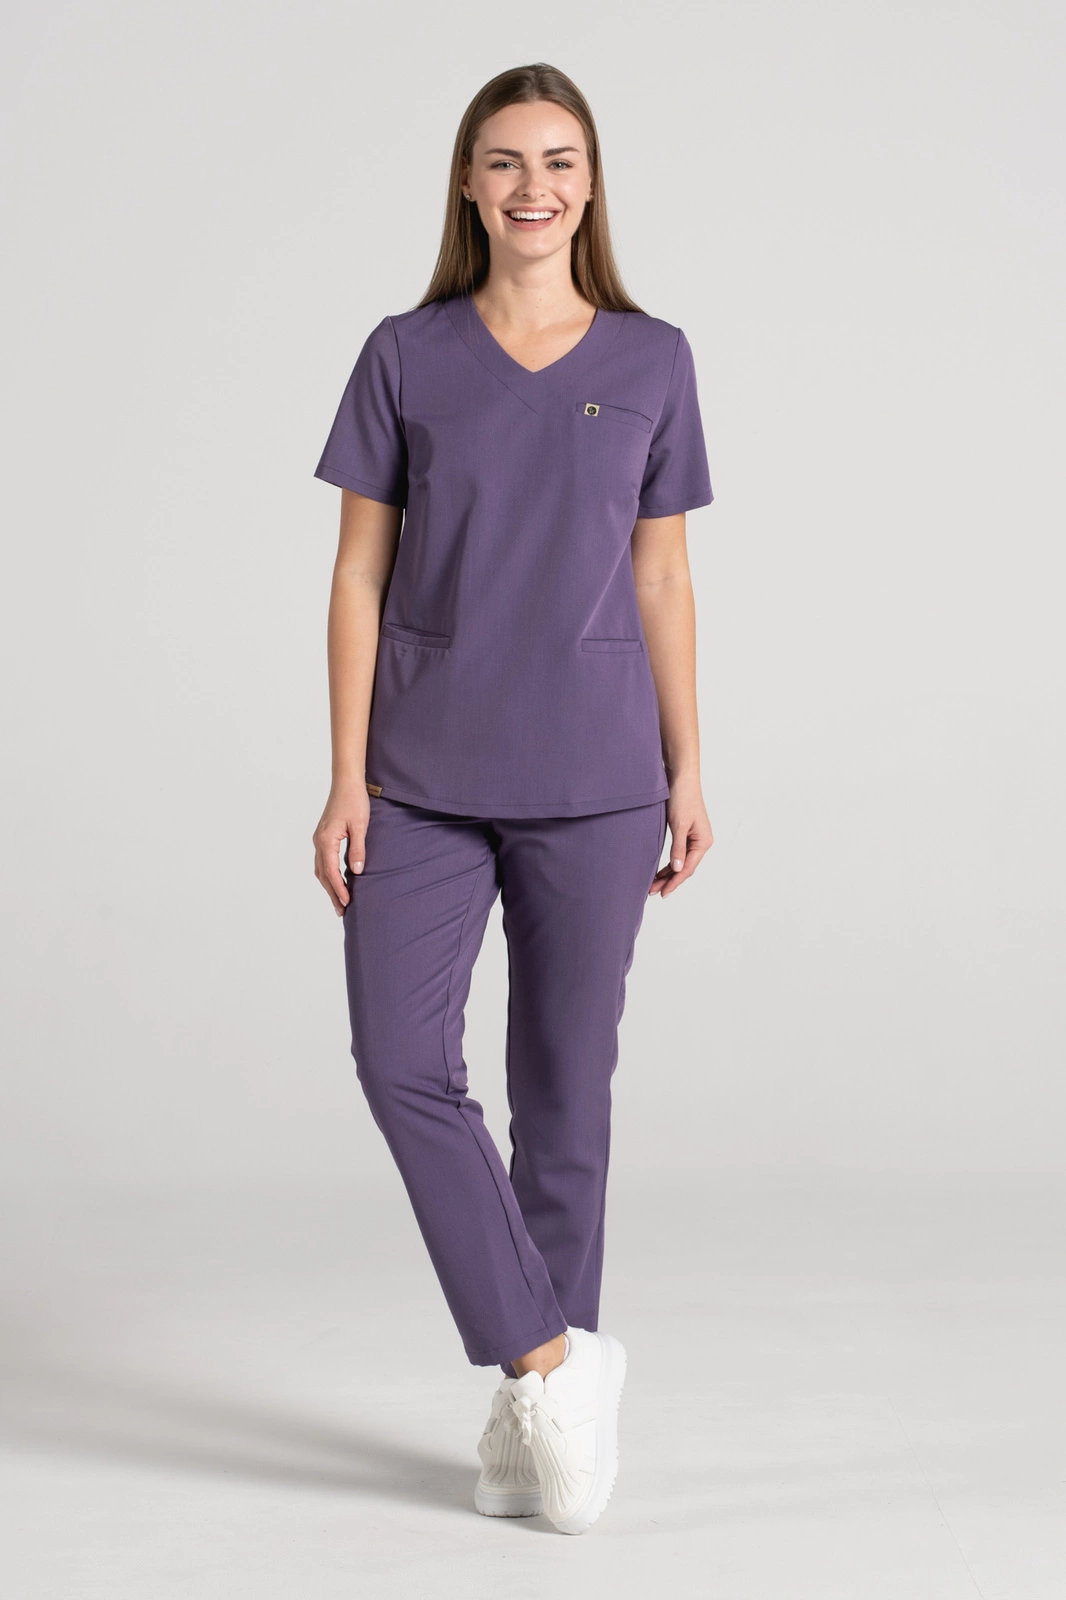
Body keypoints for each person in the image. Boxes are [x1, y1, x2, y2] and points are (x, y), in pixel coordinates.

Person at [310, 61, 714, 1536]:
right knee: (400, 1061)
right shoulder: (404, 354)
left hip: (596, 778)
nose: (531, 186)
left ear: (589, 185)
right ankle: (552, 1361)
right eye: (503, 161)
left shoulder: (654, 358)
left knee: (562, 1096)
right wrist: (345, 774)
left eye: (557, 160)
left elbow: (661, 577)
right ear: (469, 187)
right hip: (420, 775)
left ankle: (530, 1417)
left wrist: (687, 763)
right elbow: (359, 574)